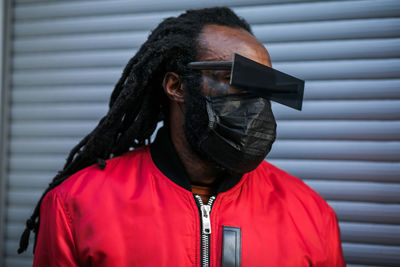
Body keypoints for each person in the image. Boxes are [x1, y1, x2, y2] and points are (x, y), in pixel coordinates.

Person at [18, 7, 345, 266]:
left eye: (263, 87)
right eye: (234, 79)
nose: (254, 103)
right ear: (176, 86)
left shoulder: (310, 213)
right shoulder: (76, 206)